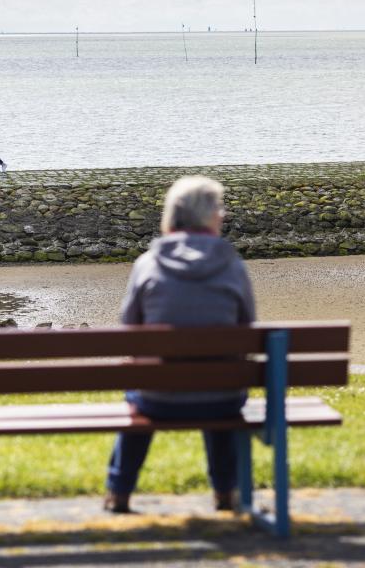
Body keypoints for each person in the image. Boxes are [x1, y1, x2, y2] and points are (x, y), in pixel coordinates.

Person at [104, 176, 256, 514]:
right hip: (223, 399)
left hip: (159, 398)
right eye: (219, 208)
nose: (223, 214)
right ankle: (225, 490)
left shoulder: (147, 264)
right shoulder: (232, 265)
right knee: (218, 384)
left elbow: (129, 329)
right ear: (207, 216)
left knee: (139, 392)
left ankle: (119, 489)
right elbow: (248, 327)